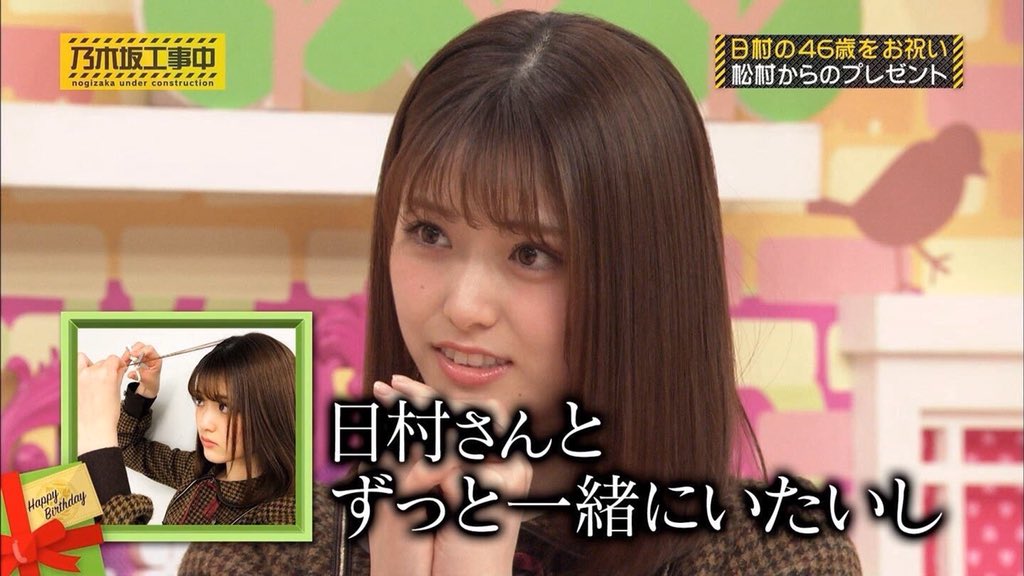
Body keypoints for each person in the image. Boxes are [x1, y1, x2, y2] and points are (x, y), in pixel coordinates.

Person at [78, 10, 861, 574]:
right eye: (428, 232)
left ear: (645, 277)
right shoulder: (267, 549)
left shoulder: (777, 556)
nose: (463, 306)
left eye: (531, 252)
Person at [77, 333, 297, 525]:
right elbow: (127, 446)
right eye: (199, 401)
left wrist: (97, 428)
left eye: (225, 406)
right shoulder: (195, 471)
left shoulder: (283, 515)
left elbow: (127, 555)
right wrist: (145, 390)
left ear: (272, 410)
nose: (205, 423)